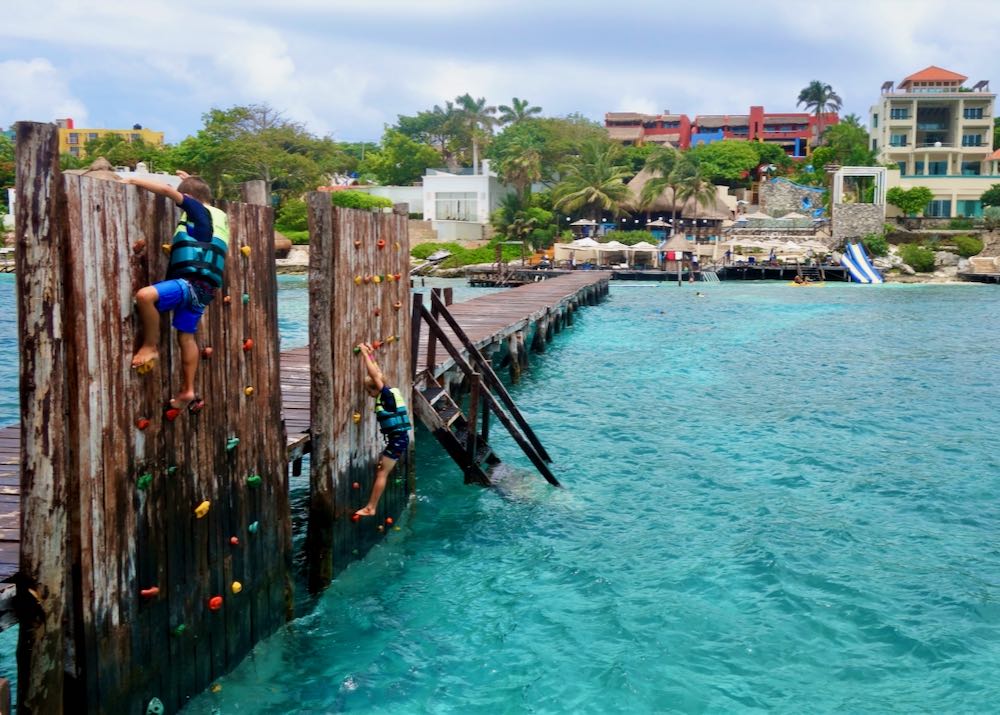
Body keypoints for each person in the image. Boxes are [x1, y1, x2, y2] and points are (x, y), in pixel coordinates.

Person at [125, 171, 229, 412]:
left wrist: (133, 180)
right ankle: (187, 390)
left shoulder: (197, 209)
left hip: (190, 283)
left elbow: (167, 191)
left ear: (190, 197)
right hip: (206, 289)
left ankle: (150, 346)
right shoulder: (218, 217)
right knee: (186, 336)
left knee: (144, 296)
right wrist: (189, 175)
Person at [355, 343, 411, 517]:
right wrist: (371, 356)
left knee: (382, 473)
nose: (369, 395)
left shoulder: (385, 396)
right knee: (382, 468)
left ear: (374, 389)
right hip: (399, 439)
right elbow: (378, 374)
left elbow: (374, 375)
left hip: (397, 440)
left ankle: (371, 507)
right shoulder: (391, 391)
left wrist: (364, 355)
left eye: (368, 391)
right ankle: (371, 506)